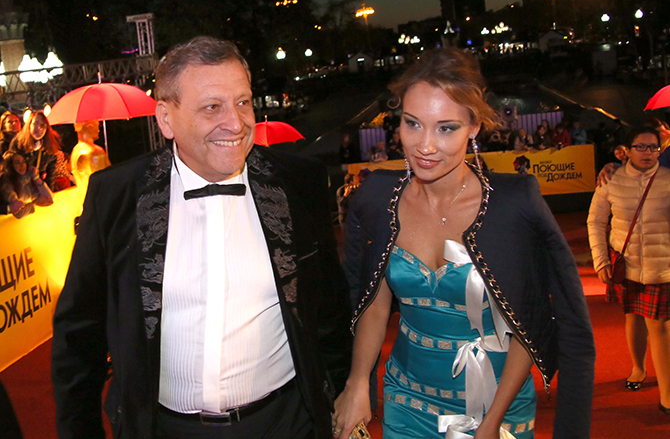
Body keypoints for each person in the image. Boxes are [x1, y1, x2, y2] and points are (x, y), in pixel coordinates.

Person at [51, 36, 351, 439]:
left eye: (243, 102)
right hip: (162, 430)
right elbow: (79, 335)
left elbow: (330, 311)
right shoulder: (117, 196)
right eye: (212, 107)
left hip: (287, 422)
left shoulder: (299, 182)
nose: (236, 123)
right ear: (166, 119)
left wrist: (339, 394)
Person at [333, 48, 595, 439]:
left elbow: (530, 323)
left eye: (446, 128)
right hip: (407, 399)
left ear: (474, 127)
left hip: (497, 403)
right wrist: (357, 382)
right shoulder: (379, 198)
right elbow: (373, 301)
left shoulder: (511, 206)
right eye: (412, 123)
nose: (425, 145)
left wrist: (492, 422)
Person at [587, 127, 670, 417]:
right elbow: (596, 221)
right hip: (627, 262)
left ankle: (667, 394)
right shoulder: (611, 179)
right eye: (641, 147)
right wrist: (601, 261)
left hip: (663, 265)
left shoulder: (668, 178)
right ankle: (638, 367)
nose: (648, 153)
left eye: (653, 147)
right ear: (627, 150)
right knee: (632, 314)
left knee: (659, 325)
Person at [7, 110, 60, 190]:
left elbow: (50, 175)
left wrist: (48, 192)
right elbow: (11, 172)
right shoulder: (18, 143)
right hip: (20, 189)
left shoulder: (49, 146)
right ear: (29, 124)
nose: (39, 128)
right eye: (36, 123)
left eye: (42, 125)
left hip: (38, 188)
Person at [0, 151, 53, 218]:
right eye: (17, 163)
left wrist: (36, 178)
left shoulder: (27, 177)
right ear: (10, 167)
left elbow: (49, 199)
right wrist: (34, 203)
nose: (22, 165)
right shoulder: (7, 183)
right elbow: (18, 212)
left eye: (23, 161)